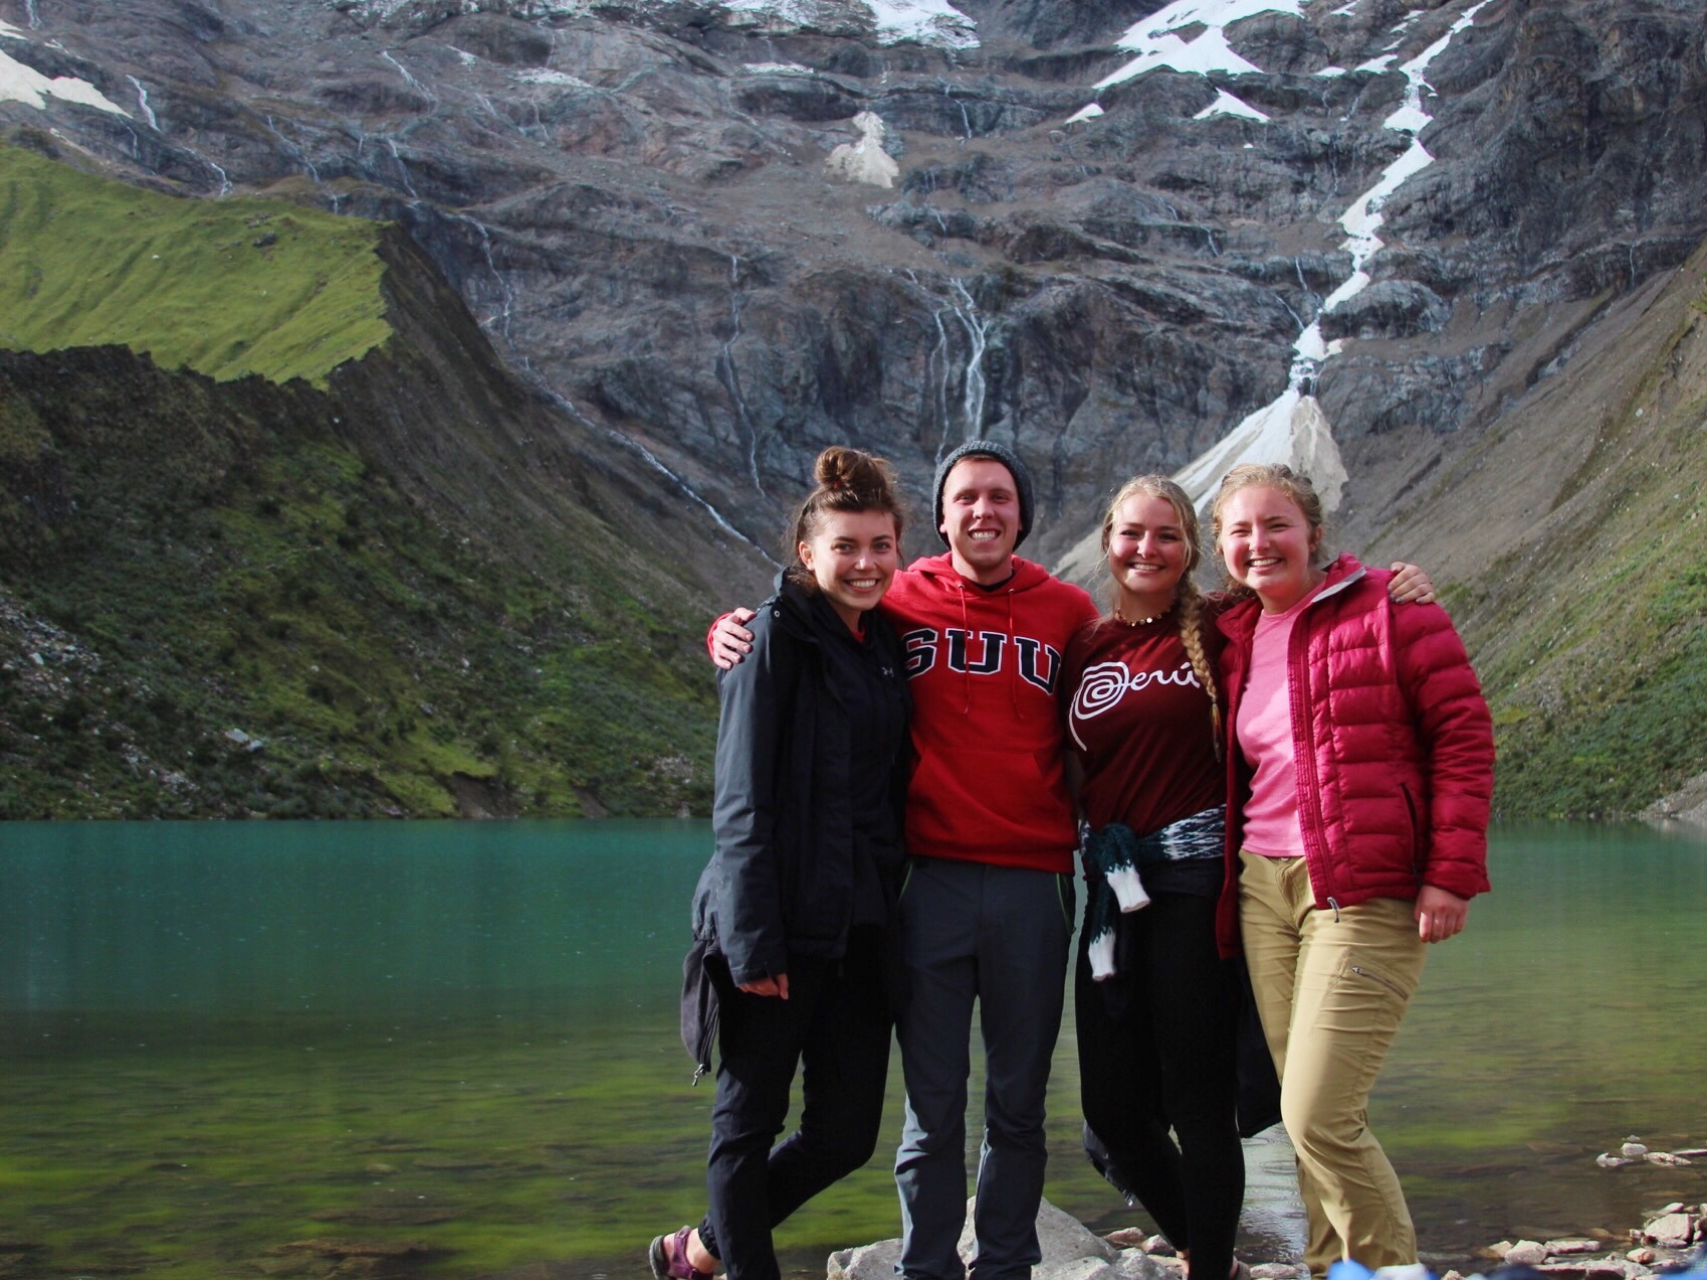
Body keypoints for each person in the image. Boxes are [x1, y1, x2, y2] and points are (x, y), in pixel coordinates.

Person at [712, 440, 1098, 1280]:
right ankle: (926, 1267)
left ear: (1022, 512)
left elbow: (1130, 681)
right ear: (941, 514)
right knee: (933, 1103)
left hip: (1037, 879)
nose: (983, 511)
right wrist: (733, 624)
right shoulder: (897, 596)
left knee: (1018, 1101)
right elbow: (810, 612)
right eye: (966, 497)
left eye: (999, 496)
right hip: (924, 882)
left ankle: (1003, 1263)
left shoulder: (1069, 611)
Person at [1064, 476, 1435, 1280]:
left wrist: (1390, 584)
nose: (1146, 550)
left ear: (1191, 551)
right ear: (1105, 539)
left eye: (1166, 535)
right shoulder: (1082, 644)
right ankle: (1232, 1256)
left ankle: (1238, 1268)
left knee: (1202, 1102)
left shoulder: (1223, 627)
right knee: (1111, 1113)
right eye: (1131, 533)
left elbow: (1314, 608)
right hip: (1110, 890)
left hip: (1199, 883)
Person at [1208, 463, 1494, 1277]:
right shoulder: (1230, 633)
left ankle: (1392, 1269)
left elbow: (1463, 739)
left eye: (1274, 526)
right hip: (1265, 885)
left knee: (1316, 1110)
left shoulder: (1390, 608)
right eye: (1238, 531)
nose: (1257, 544)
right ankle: (1331, 1267)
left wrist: (1448, 872)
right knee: (1304, 1115)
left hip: (1364, 886)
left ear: (1313, 533)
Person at [654, 446, 913, 1280]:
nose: (864, 563)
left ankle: (695, 1250)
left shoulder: (885, 643)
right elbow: (740, 801)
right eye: (846, 546)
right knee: (747, 1123)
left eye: (879, 546)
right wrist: (753, 942)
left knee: (844, 1134)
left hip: (861, 930)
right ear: (808, 552)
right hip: (776, 927)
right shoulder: (770, 639)